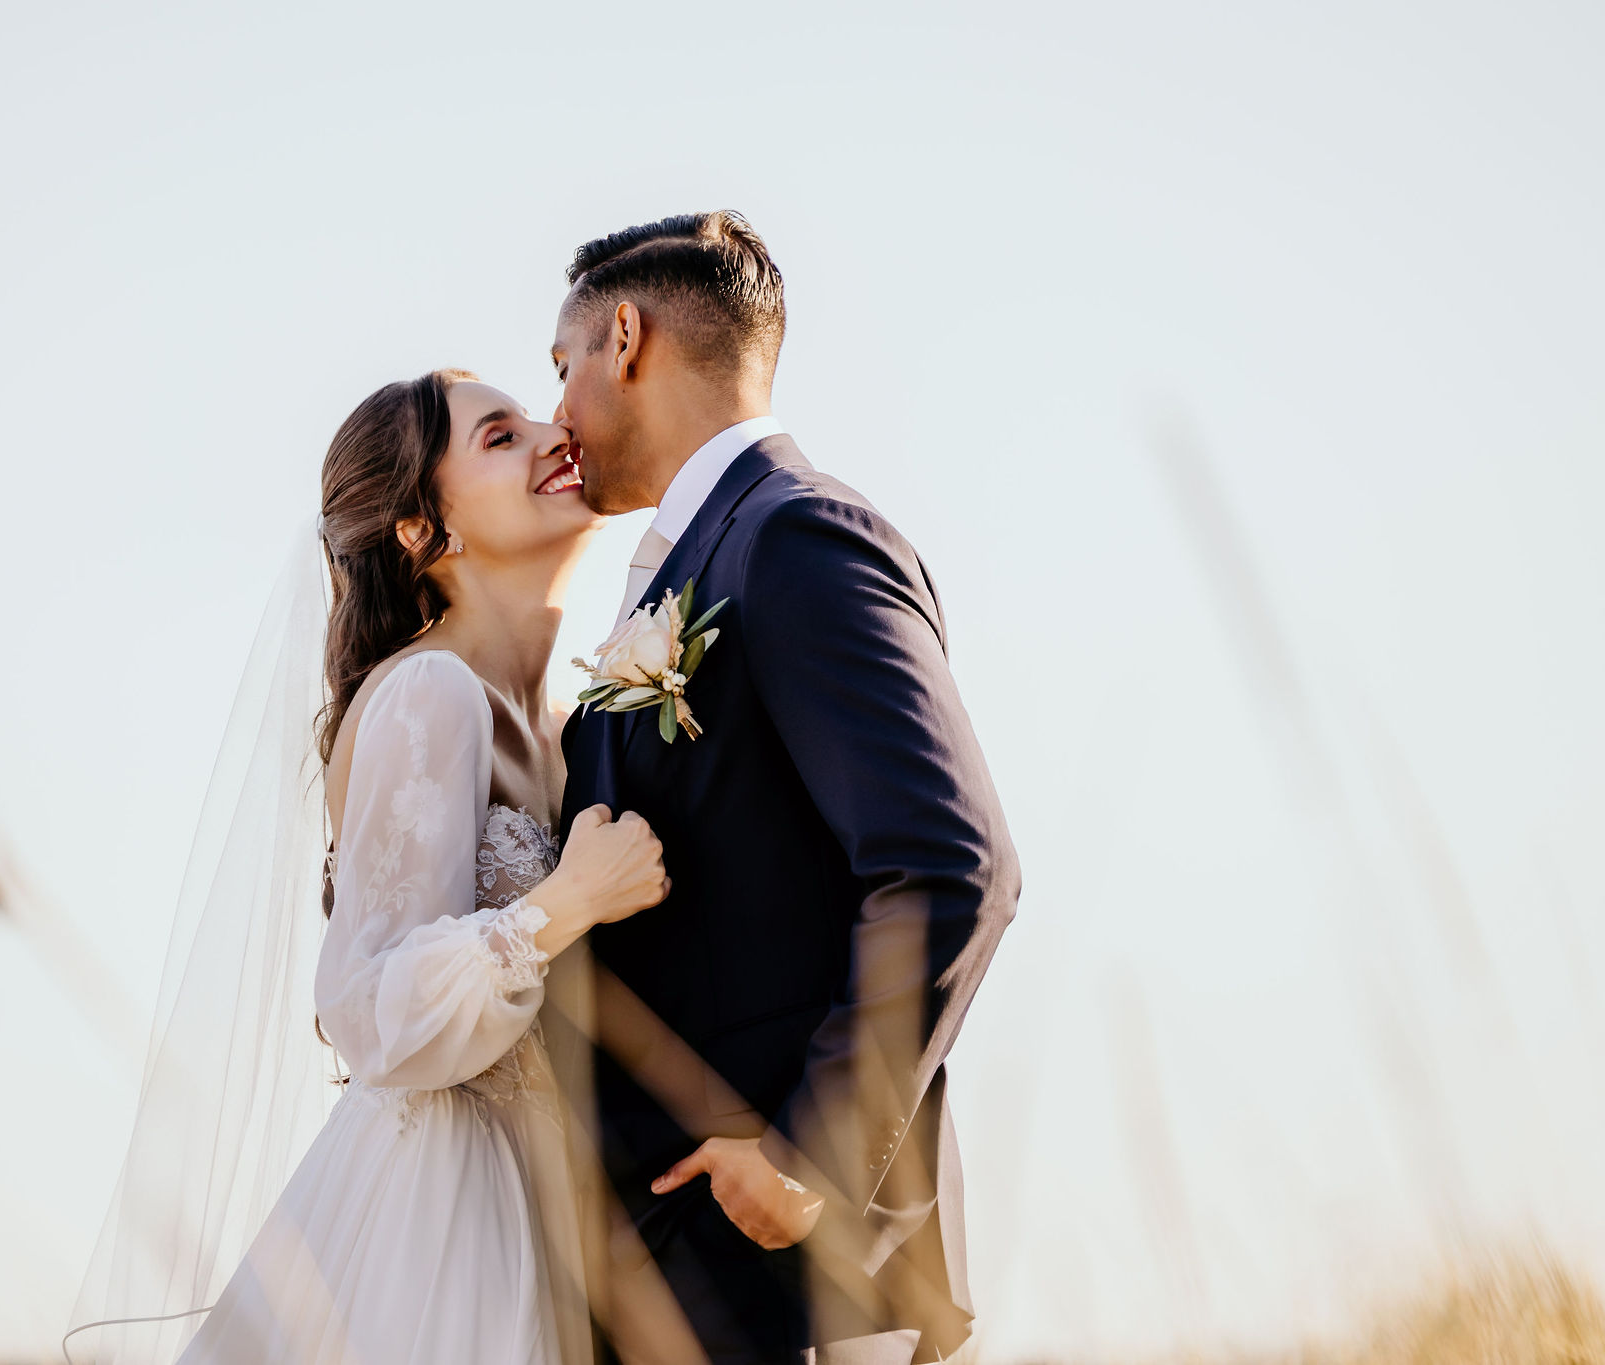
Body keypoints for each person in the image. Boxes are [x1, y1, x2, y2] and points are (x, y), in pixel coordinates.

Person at [66, 370, 669, 1365]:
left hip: (561, 1198)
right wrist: (562, 903)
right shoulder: (429, 693)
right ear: (421, 531)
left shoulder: (568, 725)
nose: (548, 433)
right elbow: (370, 1001)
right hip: (442, 1218)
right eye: (498, 437)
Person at [552, 212, 1021, 1364]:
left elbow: (952, 861)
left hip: (795, 1273)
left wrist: (808, 1156)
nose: (554, 407)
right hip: (686, 1272)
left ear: (625, 337)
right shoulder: (699, 553)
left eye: (558, 366)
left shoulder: (795, 537)